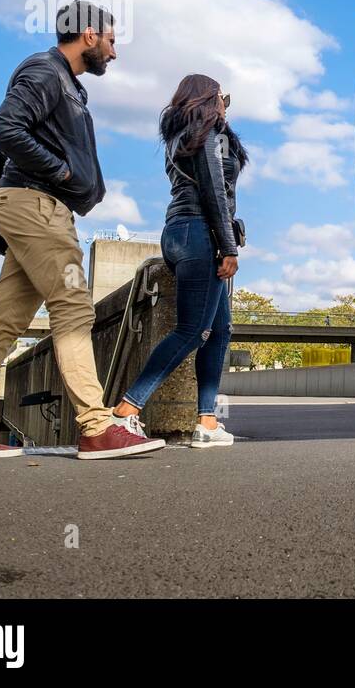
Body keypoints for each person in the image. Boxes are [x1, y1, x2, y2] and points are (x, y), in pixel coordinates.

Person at [0, 2, 163, 460]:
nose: (114, 54)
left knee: (3, 323)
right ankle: (96, 427)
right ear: (90, 35)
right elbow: (3, 129)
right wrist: (58, 172)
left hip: (35, 205)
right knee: (74, 308)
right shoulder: (45, 71)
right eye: (113, 41)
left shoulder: (66, 83)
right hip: (36, 204)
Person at [112, 75, 247, 448]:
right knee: (191, 330)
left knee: (218, 332)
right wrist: (228, 246)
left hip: (177, 233)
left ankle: (207, 421)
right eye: (223, 98)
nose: (225, 106)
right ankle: (126, 410)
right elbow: (215, 192)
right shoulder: (209, 134)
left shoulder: (179, 135)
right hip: (200, 233)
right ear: (209, 98)